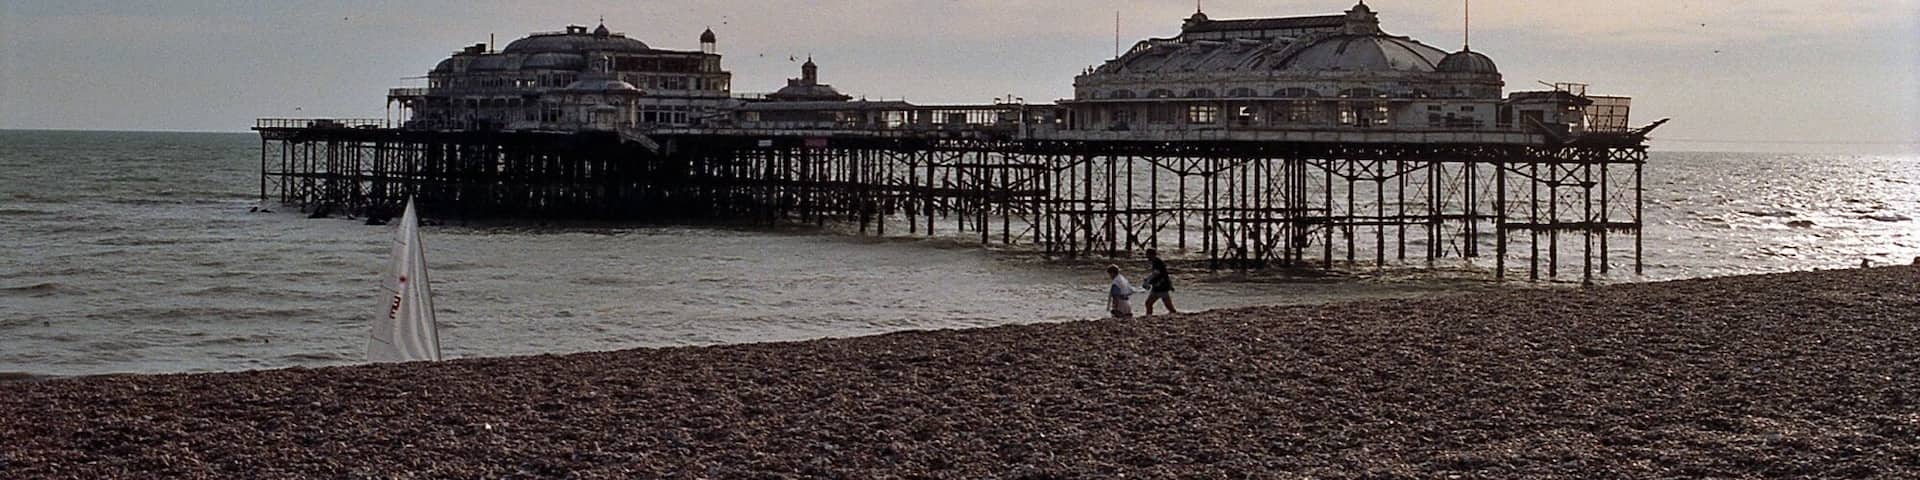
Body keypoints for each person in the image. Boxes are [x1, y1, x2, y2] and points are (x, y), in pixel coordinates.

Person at [1142, 249, 1178, 316]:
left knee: (1150, 303)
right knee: (1149, 303)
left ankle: (1149, 316)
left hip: (1161, 287)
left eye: (1147, 254)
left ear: (1151, 254)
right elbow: (1163, 274)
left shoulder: (1157, 262)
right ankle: (1149, 315)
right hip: (1159, 286)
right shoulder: (1156, 262)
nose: (1146, 256)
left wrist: (1148, 281)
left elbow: (1156, 274)